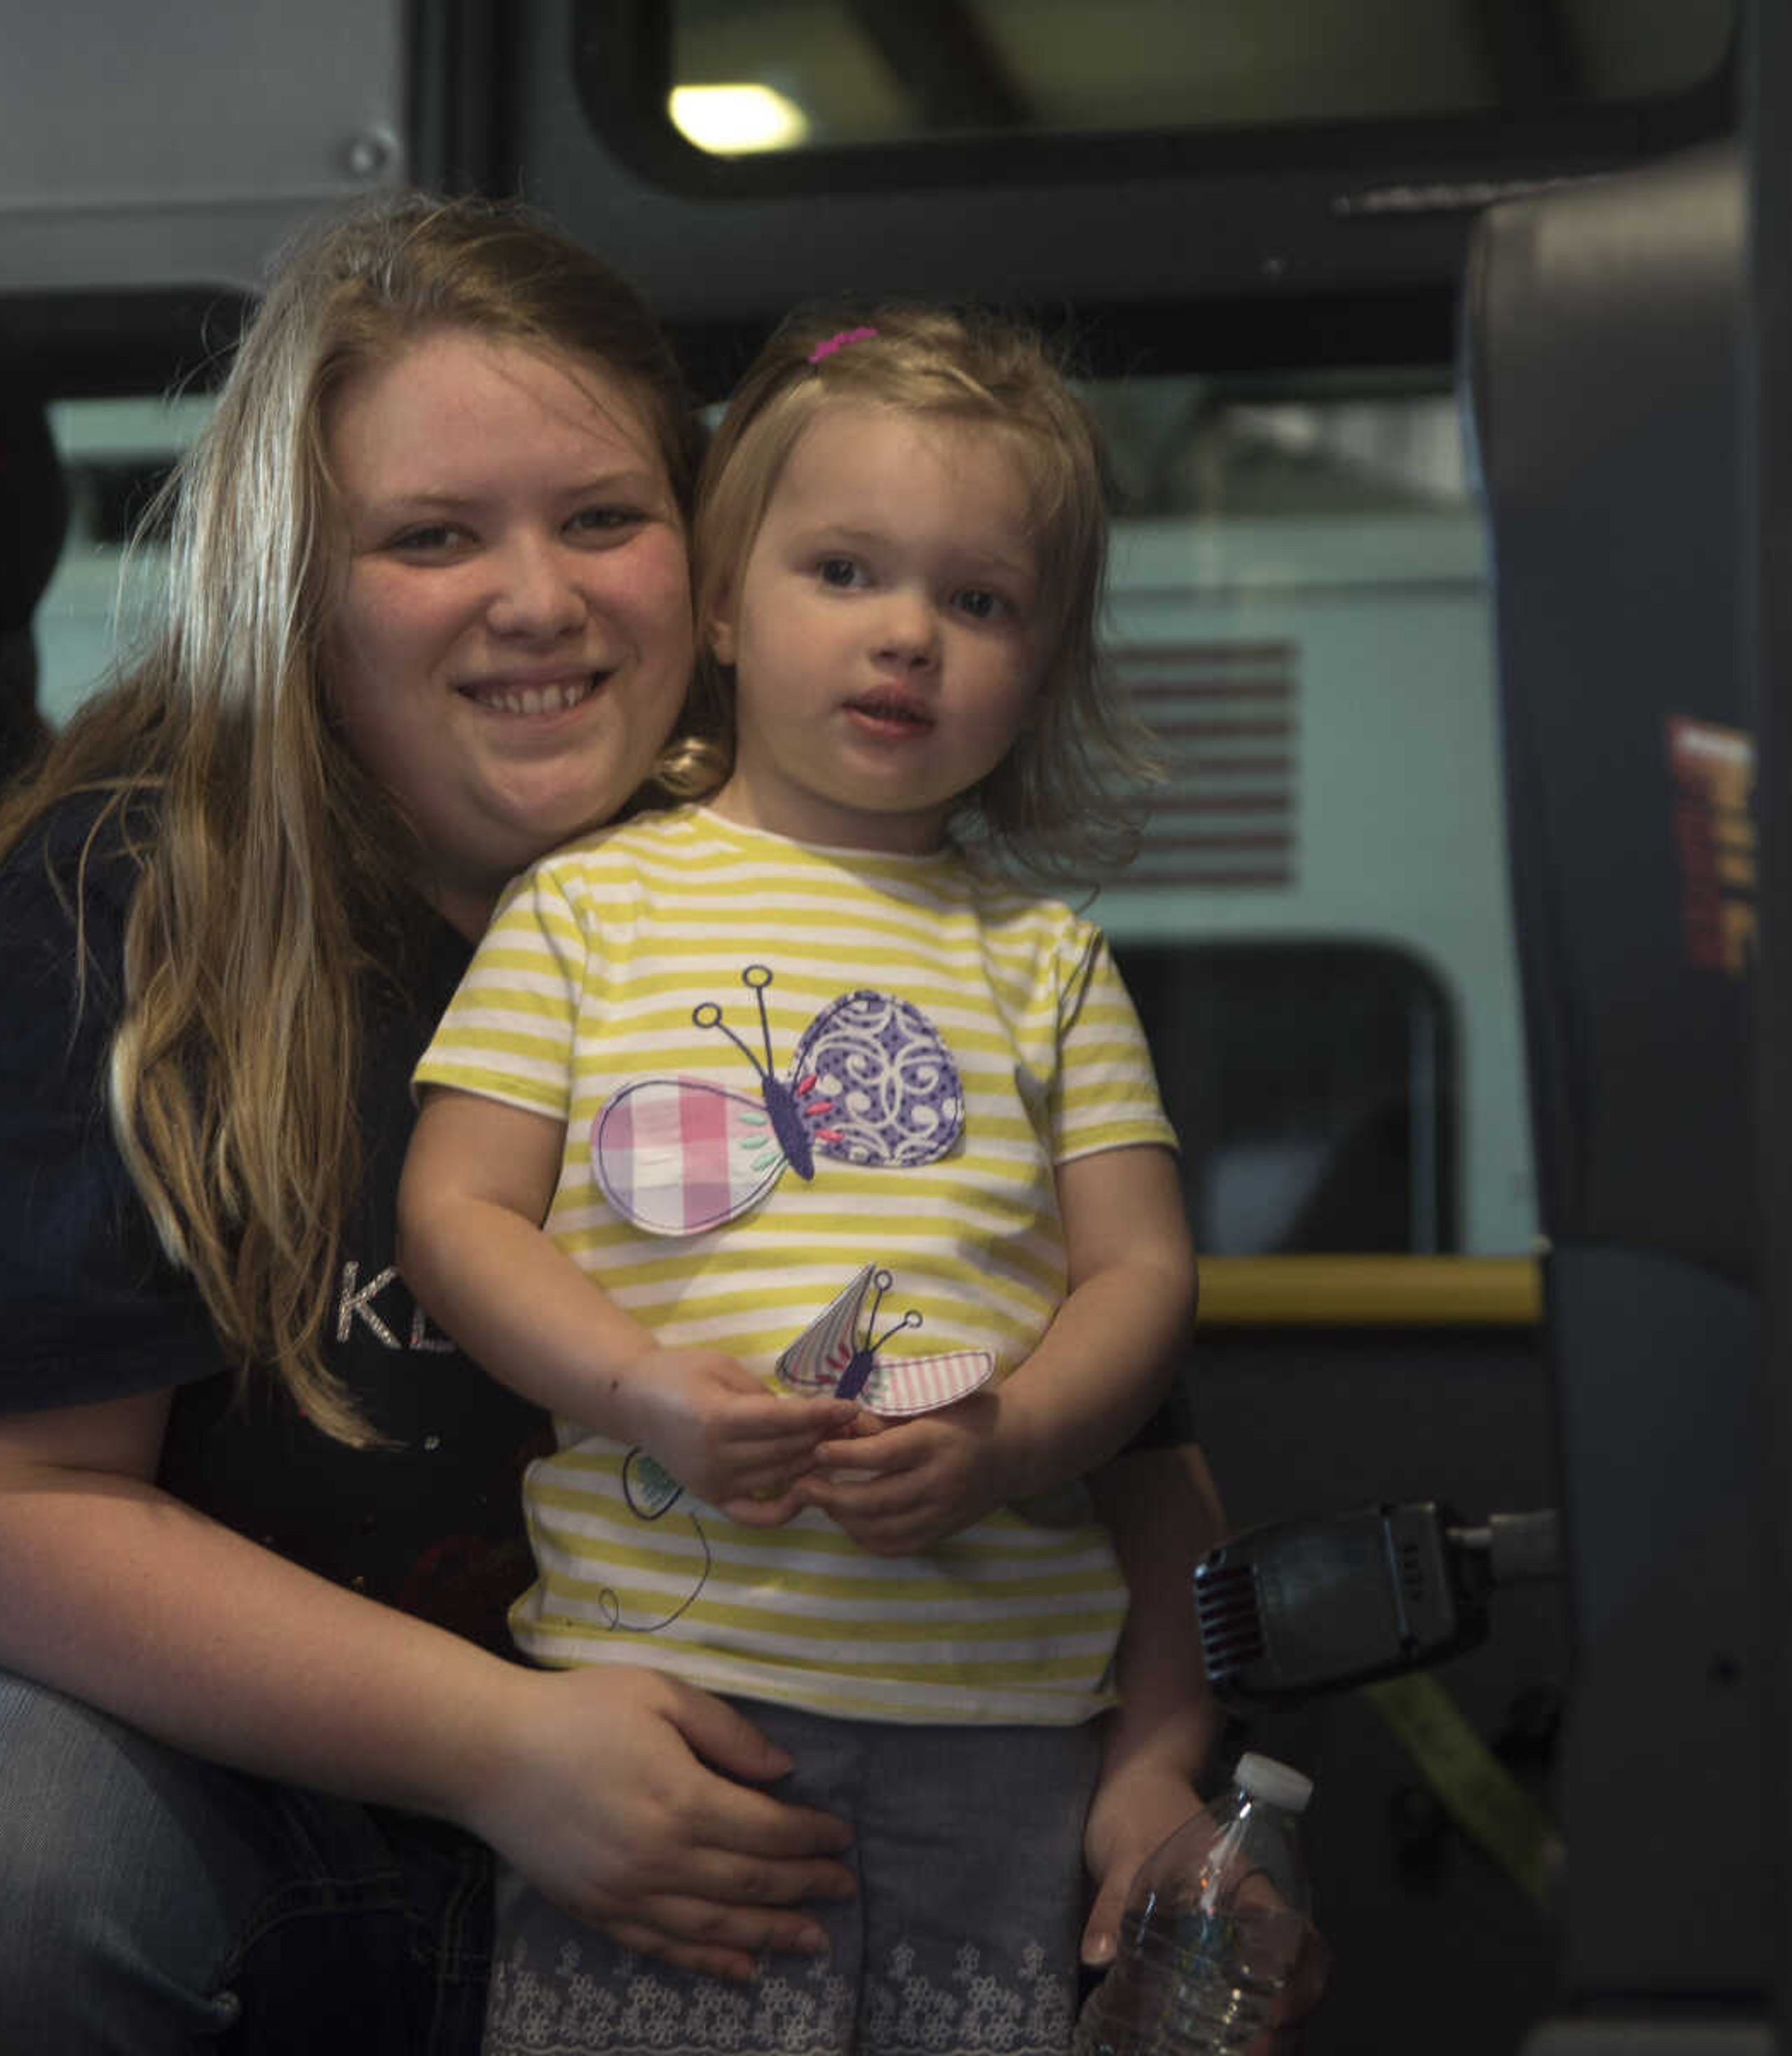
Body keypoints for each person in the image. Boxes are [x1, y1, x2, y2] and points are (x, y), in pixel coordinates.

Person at [0, 193, 1248, 2055]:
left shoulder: (925, 949)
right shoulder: (135, 910)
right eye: (432, 536)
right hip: (262, 1818)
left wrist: (1169, 1794)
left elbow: (1137, 1456)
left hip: (777, 1855)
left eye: (601, 517)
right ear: (302, 580)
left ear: (703, 557)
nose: (532, 599)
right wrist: (508, 1749)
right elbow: (0, 1515)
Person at [398, 305, 1206, 2052]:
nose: (907, 634)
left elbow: (1142, 1282)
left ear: (1043, 662)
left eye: (980, 601)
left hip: (1003, 1728)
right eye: (844, 570)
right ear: (721, 612)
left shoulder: (1050, 961)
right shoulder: (586, 911)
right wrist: (645, 1396)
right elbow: (456, 1217)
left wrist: (1015, 1439)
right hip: (661, 1719)